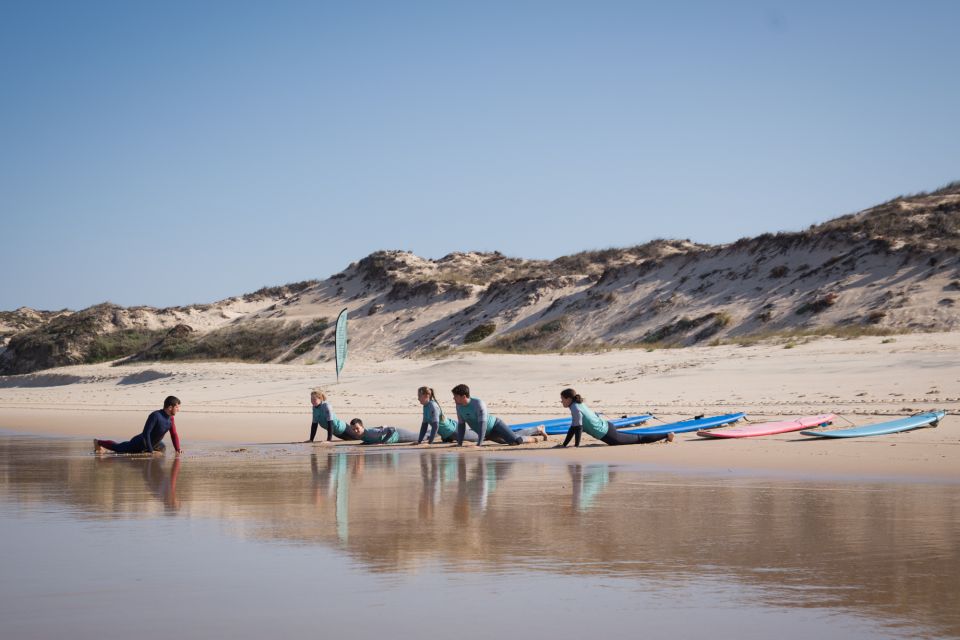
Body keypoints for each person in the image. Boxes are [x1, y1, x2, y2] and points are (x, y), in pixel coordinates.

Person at [558, 388, 674, 447]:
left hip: (609, 435)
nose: (561, 401)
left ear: (568, 399)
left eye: (562, 399)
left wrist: (576, 446)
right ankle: (666, 435)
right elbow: (574, 427)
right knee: (635, 437)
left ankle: (667, 435)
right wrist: (565, 445)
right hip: (607, 426)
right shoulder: (578, 404)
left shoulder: (574, 408)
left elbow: (577, 428)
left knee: (639, 439)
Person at [451, 384, 543, 446]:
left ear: (463, 396)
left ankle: (534, 437)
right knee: (505, 441)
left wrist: (479, 444)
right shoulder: (459, 406)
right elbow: (461, 425)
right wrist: (459, 443)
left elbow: (482, 424)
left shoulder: (478, 404)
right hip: (487, 433)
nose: (453, 398)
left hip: (495, 425)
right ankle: (537, 429)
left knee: (515, 441)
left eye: (455, 396)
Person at [94, 395, 183, 455]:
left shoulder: (171, 418)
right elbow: (146, 433)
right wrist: (150, 451)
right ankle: (98, 442)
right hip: (139, 442)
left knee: (162, 447)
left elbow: (174, 434)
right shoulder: (155, 415)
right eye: (177, 407)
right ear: (170, 407)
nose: (178, 409)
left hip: (155, 443)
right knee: (118, 448)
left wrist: (178, 449)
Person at [347, 418, 421, 445]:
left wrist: (382, 443)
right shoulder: (360, 435)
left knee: (422, 437)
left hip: (398, 434)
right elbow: (370, 440)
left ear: (362, 427)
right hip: (396, 440)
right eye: (353, 429)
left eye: (357, 428)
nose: (355, 431)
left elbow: (391, 429)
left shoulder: (371, 432)